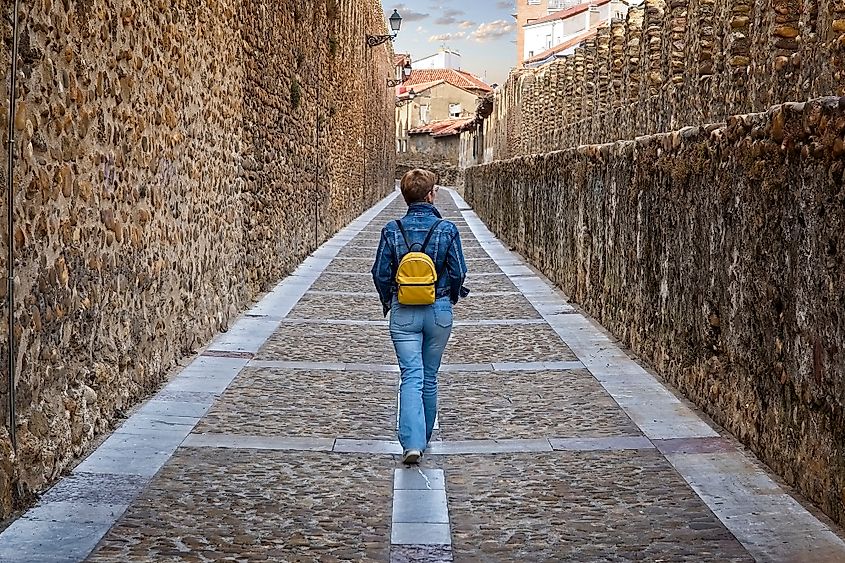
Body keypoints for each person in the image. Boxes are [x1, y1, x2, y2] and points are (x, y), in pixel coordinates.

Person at [371, 169, 468, 464]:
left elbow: (380, 273)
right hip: (438, 312)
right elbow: (459, 271)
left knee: (410, 375)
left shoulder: (392, 230)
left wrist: (391, 300)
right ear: (430, 195)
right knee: (430, 375)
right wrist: (447, 299)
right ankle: (423, 437)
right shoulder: (447, 229)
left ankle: (412, 443)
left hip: (404, 312)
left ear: (405, 197)